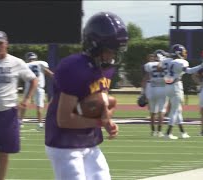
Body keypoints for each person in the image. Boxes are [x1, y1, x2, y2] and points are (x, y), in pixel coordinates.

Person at [45, 11, 128, 180]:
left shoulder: (106, 68)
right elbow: (64, 119)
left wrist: (107, 121)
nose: (113, 56)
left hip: (90, 142)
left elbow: (101, 100)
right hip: (65, 144)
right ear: (95, 46)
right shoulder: (73, 67)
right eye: (109, 51)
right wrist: (99, 121)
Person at [0, 30, 38, 180]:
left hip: (8, 113)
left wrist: (26, 99)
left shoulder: (16, 62)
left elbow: (33, 80)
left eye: (1, 43)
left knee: (3, 152)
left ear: (6, 44)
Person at [161, 44, 203, 140]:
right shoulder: (181, 62)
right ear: (178, 53)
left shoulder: (167, 61)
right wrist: (202, 65)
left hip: (167, 86)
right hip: (176, 86)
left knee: (178, 110)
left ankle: (183, 132)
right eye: (184, 51)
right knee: (175, 110)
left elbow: (161, 66)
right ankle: (168, 133)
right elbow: (189, 71)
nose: (185, 53)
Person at [20, 52, 54, 129]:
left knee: (25, 103)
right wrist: (55, 76)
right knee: (39, 106)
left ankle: (20, 121)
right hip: (39, 87)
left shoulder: (25, 65)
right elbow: (48, 72)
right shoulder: (40, 63)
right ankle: (40, 124)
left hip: (29, 87)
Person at [142, 53, 167, 137]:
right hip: (163, 88)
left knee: (152, 112)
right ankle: (159, 131)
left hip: (153, 89)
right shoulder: (165, 63)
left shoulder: (149, 65)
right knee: (161, 111)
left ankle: (153, 131)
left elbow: (146, 74)